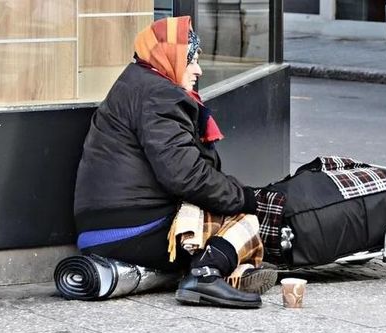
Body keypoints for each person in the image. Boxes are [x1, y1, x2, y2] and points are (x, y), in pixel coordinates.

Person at [73, 16, 275, 308]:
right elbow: (185, 176)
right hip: (130, 229)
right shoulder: (160, 94)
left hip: (106, 225)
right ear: (171, 58)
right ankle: (205, 276)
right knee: (244, 220)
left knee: (217, 217)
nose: (198, 69)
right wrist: (243, 197)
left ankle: (232, 273)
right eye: (190, 60)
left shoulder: (139, 82)